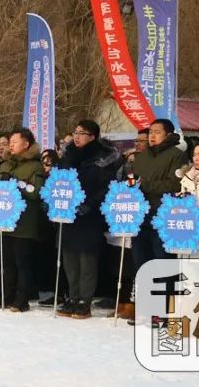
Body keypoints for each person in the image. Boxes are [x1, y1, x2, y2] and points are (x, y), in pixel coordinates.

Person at [55, 120, 122, 320]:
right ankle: (73, 296)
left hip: (90, 214)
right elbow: (56, 181)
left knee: (86, 258)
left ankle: (85, 299)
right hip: (68, 213)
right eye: (75, 132)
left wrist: (90, 204)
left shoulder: (104, 158)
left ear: (93, 136)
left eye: (82, 133)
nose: (77, 136)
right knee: (69, 256)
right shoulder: (68, 156)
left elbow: (107, 187)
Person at [0, 128, 46, 313]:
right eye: (10, 141)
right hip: (3, 220)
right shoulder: (5, 164)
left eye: (15, 141)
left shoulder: (35, 166)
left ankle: (21, 300)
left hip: (24, 223)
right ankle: (6, 296)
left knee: (22, 262)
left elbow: (36, 192)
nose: (11, 145)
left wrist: (16, 183)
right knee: (5, 262)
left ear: (26, 144)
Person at [131, 119, 183, 271]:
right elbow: (133, 178)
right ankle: (141, 291)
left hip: (162, 213)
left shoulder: (177, 155)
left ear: (168, 135)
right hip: (140, 213)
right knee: (140, 258)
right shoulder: (141, 156)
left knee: (161, 258)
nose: (152, 135)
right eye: (150, 132)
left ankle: (163, 293)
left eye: (157, 132)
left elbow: (174, 184)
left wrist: (144, 184)